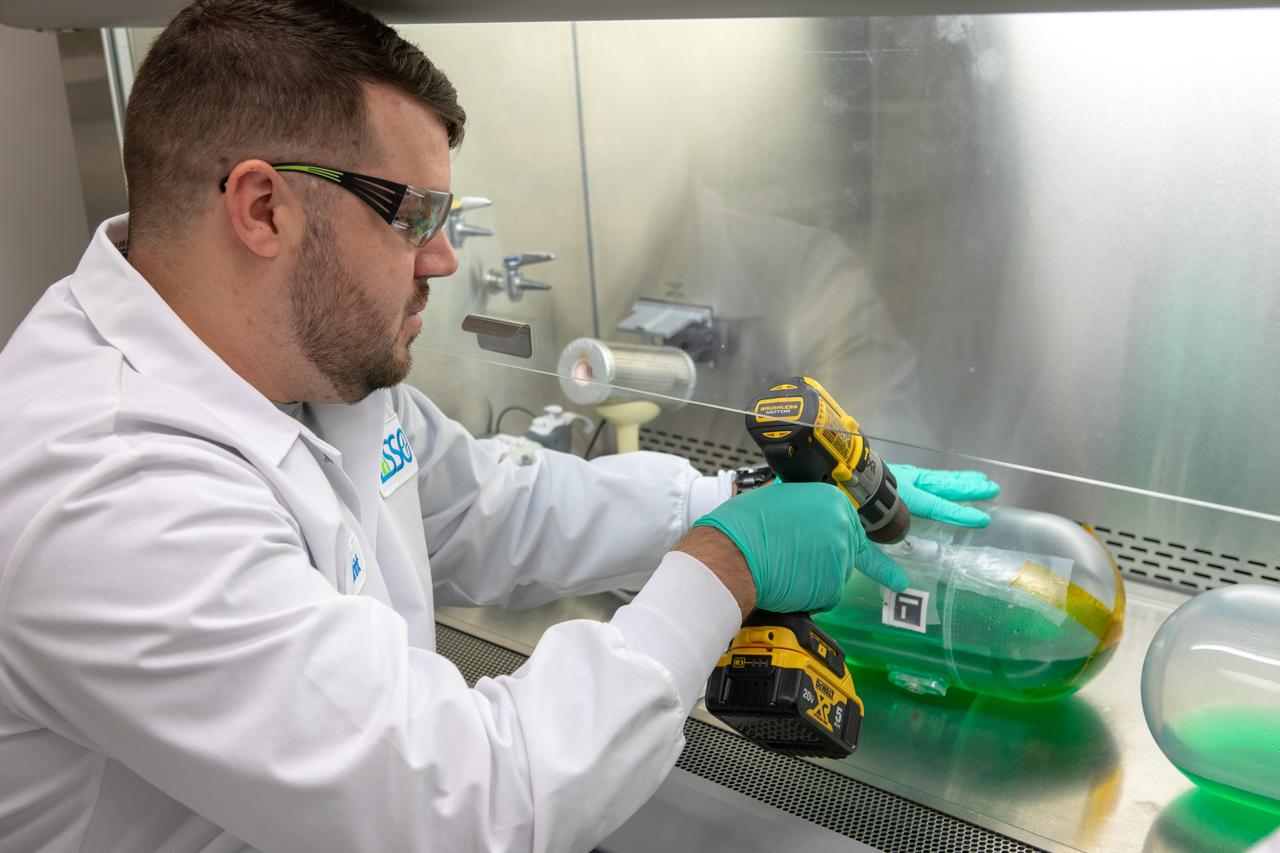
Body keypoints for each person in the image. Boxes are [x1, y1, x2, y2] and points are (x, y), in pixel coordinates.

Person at [0, 1, 998, 850]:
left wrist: (743, 500)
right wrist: (725, 565)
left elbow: (487, 505)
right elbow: (475, 802)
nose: (440, 262)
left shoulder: (300, 366)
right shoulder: (101, 489)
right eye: (412, 217)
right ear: (262, 209)